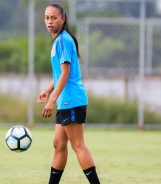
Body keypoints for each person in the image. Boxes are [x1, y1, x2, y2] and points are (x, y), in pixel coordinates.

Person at [37, 3, 101, 184]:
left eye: (54, 18)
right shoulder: (58, 40)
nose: (49, 21)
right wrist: (47, 90)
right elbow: (60, 73)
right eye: (47, 18)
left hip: (71, 100)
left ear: (63, 19)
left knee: (78, 146)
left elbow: (66, 74)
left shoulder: (63, 40)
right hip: (65, 100)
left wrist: (52, 99)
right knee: (58, 144)